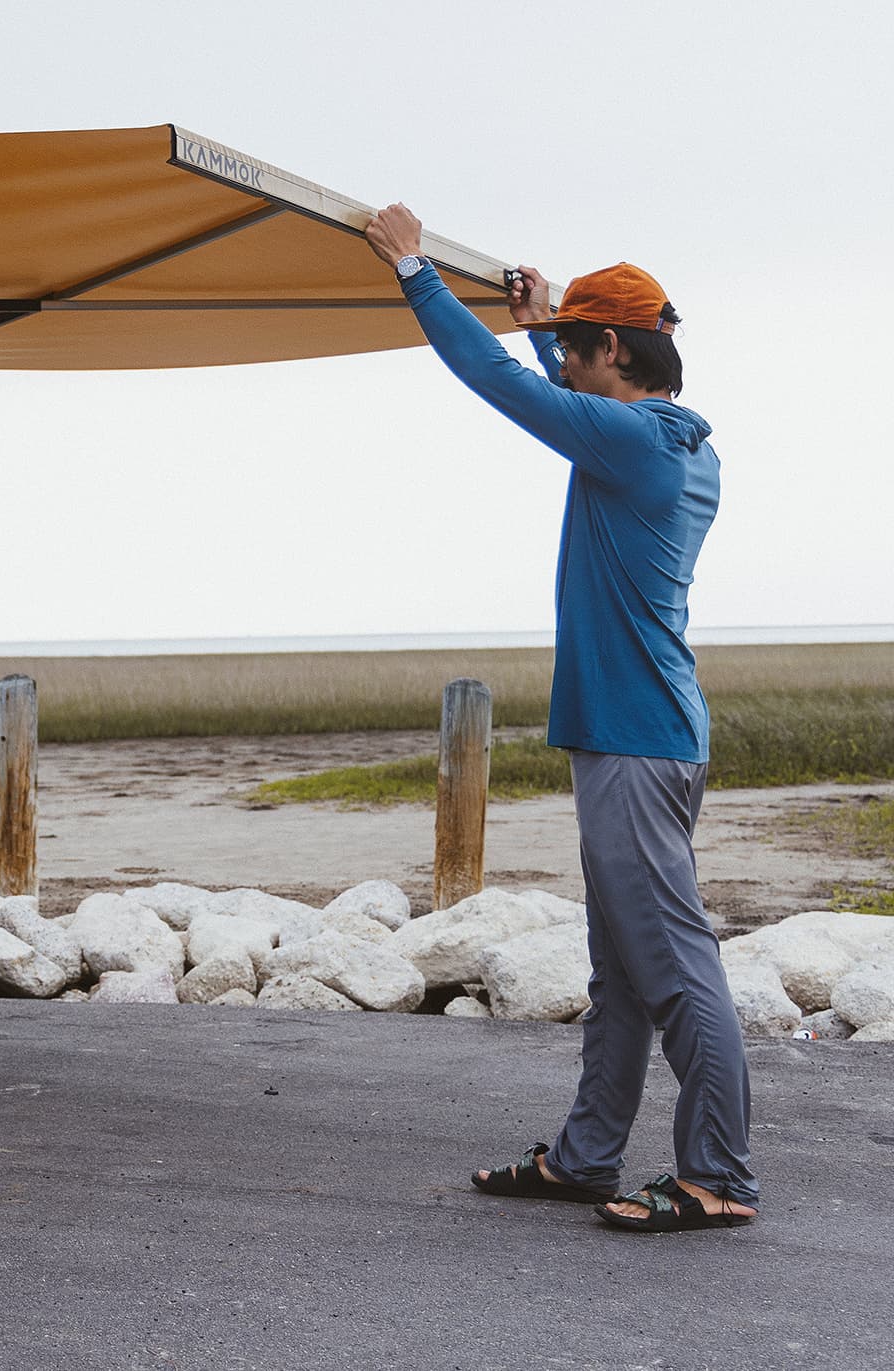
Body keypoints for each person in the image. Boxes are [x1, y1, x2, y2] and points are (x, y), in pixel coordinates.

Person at [361, 203, 757, 1233]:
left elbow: (499, 387)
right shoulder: (669, 442)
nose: (565, 369)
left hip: (635, 740)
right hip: (649, 733)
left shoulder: (631, 445)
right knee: (622, 967)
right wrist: (547, 327)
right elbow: (560, 389)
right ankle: (587, 1158)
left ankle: (720, 1177)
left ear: (614, 347)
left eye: (577, 351)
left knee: (670, 963)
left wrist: (415, 272)